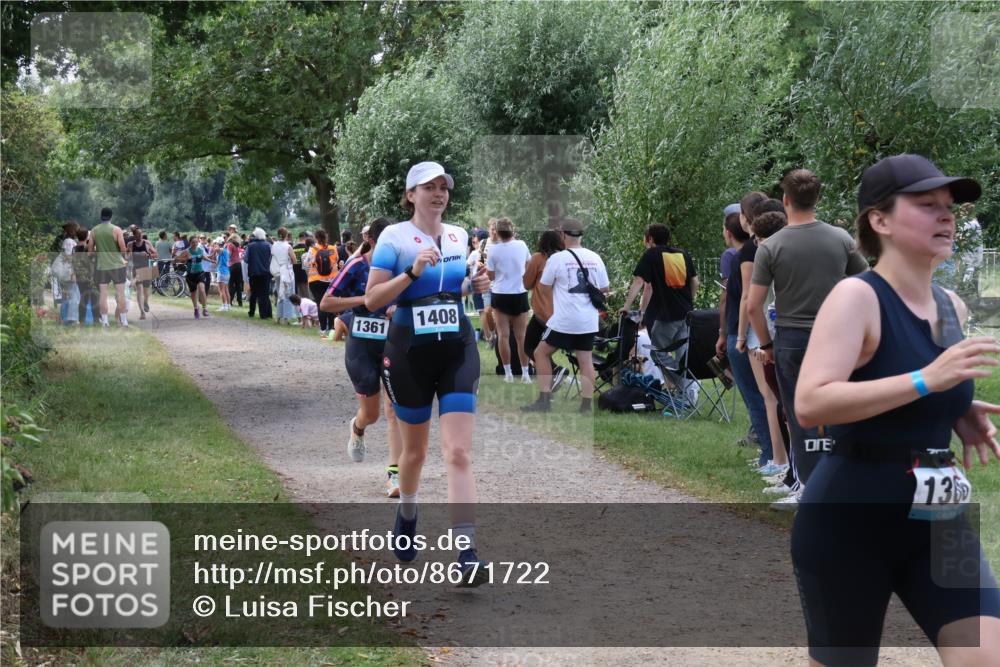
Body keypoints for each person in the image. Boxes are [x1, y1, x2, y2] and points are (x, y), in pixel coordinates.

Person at [792, 154, 1000, 666]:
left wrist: (957, 410)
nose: (946, 217)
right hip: (851, 519)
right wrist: (925, 382)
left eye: (949, 207)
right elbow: (811, 401)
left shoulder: (952, 304)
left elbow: (928, 384)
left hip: (939, 518)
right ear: (878, 220)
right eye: (927, 205)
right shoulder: (856, 297)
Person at [364, 161, 490, 585]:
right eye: (428, 187)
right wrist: (411, 271)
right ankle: (408, 511)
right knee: (414, 453)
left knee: (457, 452)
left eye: (443, 187)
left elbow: (455, 288)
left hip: (457, 347)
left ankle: (467, 552)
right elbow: (372, 299)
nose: (438, 194)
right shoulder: (393, 238)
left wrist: (478, 286)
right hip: (408, 352)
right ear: (410, 194)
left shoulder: (457, 235)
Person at [748, 169, 869, 509]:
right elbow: (868, 284)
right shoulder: (841, 239)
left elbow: (754, 304)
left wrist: (766, 344)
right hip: (837, 337)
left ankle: (808, 487)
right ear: (818, 198)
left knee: (801, 414)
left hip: (792, 339)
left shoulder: (771, 246)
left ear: (785, 200)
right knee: (837, 412)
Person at [322, 217, 403, 497]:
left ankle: (395, 476)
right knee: (372, 414)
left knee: (396, 410)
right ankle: (357, 427)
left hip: (394, 345)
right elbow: (326, 303)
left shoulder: (402, 266)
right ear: (371, 242)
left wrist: (398, 309)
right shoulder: (357, 266)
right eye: (386, 245)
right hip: (362, 347)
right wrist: (366, 300)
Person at [524, 218, 610, 414]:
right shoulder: (595, 257)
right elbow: (604, 287)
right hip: (588, 320)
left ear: (562, 235)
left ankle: (544, 400)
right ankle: (586, 406)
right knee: (585, 360)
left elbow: (544, 287)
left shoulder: (557, 258)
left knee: (540, 353)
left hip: (564, 320)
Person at [735, 197, 788, 475]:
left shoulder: (757, 251)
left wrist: (742, 335)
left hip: (764, 329)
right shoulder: (790, 248)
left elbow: (750, 298)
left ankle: (778, 460)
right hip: (779, 328)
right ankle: (781, 460)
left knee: (772, 399)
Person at [619, 223, 699, 384]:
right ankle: (689, 392)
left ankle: (684, 386)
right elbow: (695, 282)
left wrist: (627, 306)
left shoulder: (651, 254)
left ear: (649, 239)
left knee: (658, 353)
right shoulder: (682, 254)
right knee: (683, 355)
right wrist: (688, 301)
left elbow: (639, 282)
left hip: (666, 314)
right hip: (687, 313)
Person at [486, 217, 532, 383]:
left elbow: (490, 275)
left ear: (497, 232)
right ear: (513, 230)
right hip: (519, 293)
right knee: (522, 336)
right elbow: (528, 265)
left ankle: (508, 374)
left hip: (500, 294)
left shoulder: (493, 249)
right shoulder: (522, 245)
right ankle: (526, 374)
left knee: (503, 336)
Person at [523, 229, 564, 363]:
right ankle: (554, 372)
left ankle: (555, 371)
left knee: (529, 347)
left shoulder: (538, 258)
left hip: (543, 313)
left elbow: (527, 284)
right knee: (542, 349)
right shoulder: (565, 258)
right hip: (562, 312)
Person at [87, 208, 129, 328]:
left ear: (101, 216)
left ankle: (105, 321)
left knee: (103, 294)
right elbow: (123, 249)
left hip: (101, 266)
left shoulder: (94, 231)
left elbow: (90, 252)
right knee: (121, 294)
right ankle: (124, 321)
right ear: (111, 217)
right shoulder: (117, 230)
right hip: (117, 265)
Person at [308, 229, 338, 337]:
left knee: (320, 304)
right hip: (332, 281)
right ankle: (331, 328)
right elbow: (336, 261)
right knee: (330, 304)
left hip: (315, 281)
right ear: (326, 237)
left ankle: (323, 329)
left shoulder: (312, 249)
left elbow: (307, 264)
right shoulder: (333, 248)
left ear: (316, 238)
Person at [173, 235, 211, 318]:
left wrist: (211, 260)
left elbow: (203, 257)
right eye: (193, 242)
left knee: (202, 289)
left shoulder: (200, 250)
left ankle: (205, 308)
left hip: (200, 272)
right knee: (193, 293)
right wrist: (185, 259)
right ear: (190, 243)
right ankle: (196, 309)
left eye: (196, 242)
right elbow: (176, 259)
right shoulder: (186, 251)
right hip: (190, 274)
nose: (195, 244)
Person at [244, 227, 273, 320]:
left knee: (254, 293)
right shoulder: (268, 245)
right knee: (264, 294)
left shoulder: (250, 246)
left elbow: (246, 259)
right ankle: (265, 314)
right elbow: (271, 258)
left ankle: (251, 312)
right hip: (266, 273)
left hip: (253, 272)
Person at [128, 228, 155, 320]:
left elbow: (156, 254)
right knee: (139, 290)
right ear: (134, 235)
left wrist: (148, 255)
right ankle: (142, 312)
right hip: (136, 269)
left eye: (141, 234)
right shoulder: (131, 244)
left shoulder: (147, 243)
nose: (139, 236)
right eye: (137, 234)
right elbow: (126, 256)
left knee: (146, 292)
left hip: (146, 268)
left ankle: (146, 302)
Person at [272, 227, 297, 325]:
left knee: (280, 294)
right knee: (288, 294)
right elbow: (294, 260)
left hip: (277, 272)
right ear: (286, 235)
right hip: (287, 272)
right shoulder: (288, 246)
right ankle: (286, 318)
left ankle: (278, 317)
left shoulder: (274, 245)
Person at [73, 227, 96, 325]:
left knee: (82, 297)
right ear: (87, 235)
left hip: (78, 275)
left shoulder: (74, 248)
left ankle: (81, 318)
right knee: (93, 297)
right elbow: (92, 259)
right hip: (88, 275)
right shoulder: (87, 248)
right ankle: (96, 318)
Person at [225, 233, 244, 308]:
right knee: (238, 285)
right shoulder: (237, 245)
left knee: (230, 284)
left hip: (232, 265)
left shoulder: (230, 245)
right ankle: (240, 302)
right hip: (239, 265)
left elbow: (229, 255)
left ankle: (230, 301)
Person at [292, 232, 311, 298]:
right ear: (305, 238)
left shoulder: (293, 248)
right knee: (307, 294)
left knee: (299, 295)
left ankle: (300, 307)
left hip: (295, 273)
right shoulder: (307, 248)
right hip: (305, 274)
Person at [216, 239, 232, 311]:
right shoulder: (226, 250)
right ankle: (228, 305)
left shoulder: (222, 250)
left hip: (222, 272)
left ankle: (224, 306)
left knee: (221, 290)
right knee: (226, 290)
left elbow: (218, 250)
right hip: (227, 272)